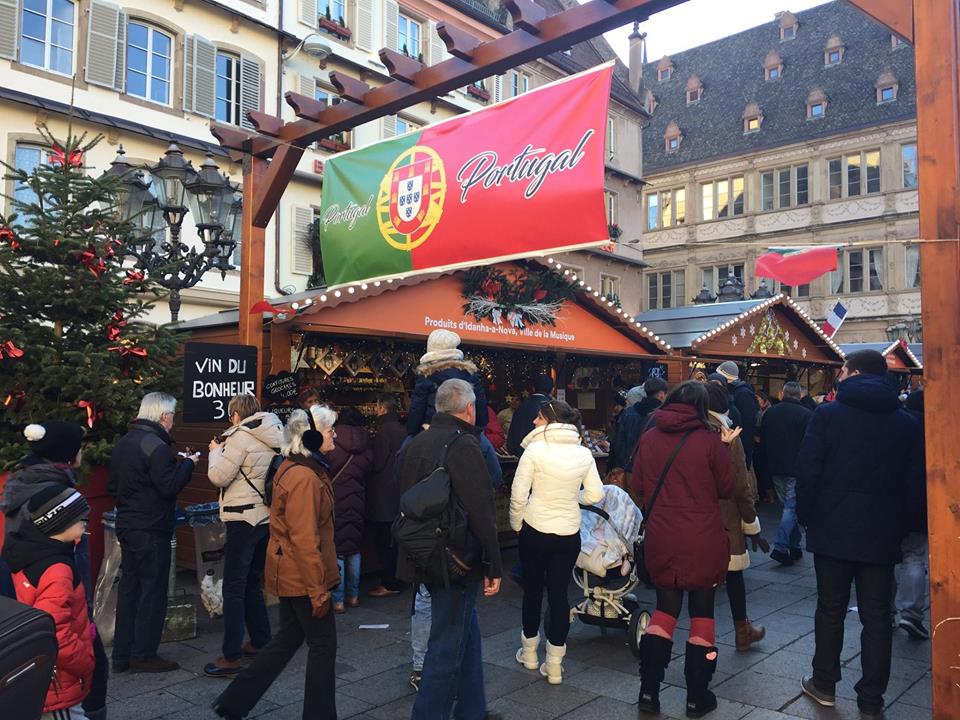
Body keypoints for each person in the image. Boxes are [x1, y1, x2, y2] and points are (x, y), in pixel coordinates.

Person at [796, 350, 923, 717]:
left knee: (830, 609)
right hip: (882, 532)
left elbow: (808, 470)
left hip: (833, 528)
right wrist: (906, 527)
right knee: (878, 616)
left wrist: (808, 516)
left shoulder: (827, 415)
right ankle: (871, 699)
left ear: (851, 373)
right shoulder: (906, 422)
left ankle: (823, 683)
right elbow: (915, 484)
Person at [213, 407, 341, 720]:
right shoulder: (304, 477)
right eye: (330, 430)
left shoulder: (301, 468)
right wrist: (318, 589)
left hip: (293, 572)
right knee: (323, 645)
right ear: (310, 436)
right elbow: (304, 538)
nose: (335, 434)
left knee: (286, 639)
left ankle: (234, 701)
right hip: (303, 576)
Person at [396, 378, 503, 720]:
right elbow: (482, 510)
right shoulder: (464, 444)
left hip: (423, 552)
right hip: (454, 556)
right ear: (469, 408)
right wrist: (493, 564)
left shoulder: (415, 442)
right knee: (446, 644)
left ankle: (472, 710)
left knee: (464, 631)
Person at [630, 381, 735, 718]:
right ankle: (696, 695)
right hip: (702, 535)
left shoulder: (649, 436)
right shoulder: (709, 440)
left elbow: (639, 487)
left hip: (663, 533)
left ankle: (649, 691)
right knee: (702, 612)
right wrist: (726, 449)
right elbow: (726, 487)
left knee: (664, 611)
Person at [2, 421, 108, 719]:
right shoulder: (54, 496)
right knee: (93, 672)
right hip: (58, 609)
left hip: (34, 601)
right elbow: (56, 626)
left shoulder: (21, 482)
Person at [510, 399, 603, 684]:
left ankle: (528, 653)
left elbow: (518, 494)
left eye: (538, 418)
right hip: (568, 533)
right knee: (560, 594)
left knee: (533, 591)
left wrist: (517, 524)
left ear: (550, 421)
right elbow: (596, 495)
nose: (534, 422)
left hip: (535, 529)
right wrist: (573, 499)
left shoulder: (535, 450)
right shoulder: (583, 453)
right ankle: (554, 665)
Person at [109, 392, 198, 674]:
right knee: (152, 591)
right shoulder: (157, 447)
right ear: (163, 416)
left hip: (128, 524)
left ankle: (122, 654)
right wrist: (188, 464)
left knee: (130, 589)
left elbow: (113, 486)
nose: (173, 421)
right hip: (151, 527)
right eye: (172, 415)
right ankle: (144, 653)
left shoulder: (125, 442)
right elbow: (169, 486)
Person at [203, 394, 284, 677]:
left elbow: (219, 477)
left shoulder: (239, 437)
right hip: (263, 516)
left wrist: (215, 451)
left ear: (236, 414)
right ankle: (261, 640)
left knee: (234, 587)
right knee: (251, 582)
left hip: (241, 517)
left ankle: (231, 656)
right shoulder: (274, 432)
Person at [2, 485, 94, 720]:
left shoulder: (28, 553)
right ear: (60, 523)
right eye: (81, 518)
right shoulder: (57, 570)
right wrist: (85, 660)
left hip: (39, 674)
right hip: (57, 682)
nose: (85, 525)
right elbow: (55, 634)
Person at [705, 383, 769, 652]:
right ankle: (742, 630)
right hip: (726, 516)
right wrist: (751, 523)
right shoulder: (727, 433)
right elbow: (741, 486)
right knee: (733, 577)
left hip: (694, 517)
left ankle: (702, 639)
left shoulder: (689, 431)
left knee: (702, 583)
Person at [761, 382, 813, 566]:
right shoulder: (806, 415)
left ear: (782, 394)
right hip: (796, 467)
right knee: (790, 509)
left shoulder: (771, 413)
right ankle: (782, 546)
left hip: (776, 466)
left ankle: (795, 544)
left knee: (788, 508)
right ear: (799, 395)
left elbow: (764, 440)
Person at [327, 406, 373, 613]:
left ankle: (337, 600)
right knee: (354, 548)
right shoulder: (367, 444)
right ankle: (353, 596)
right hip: (358, 498)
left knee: (337, 549)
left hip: (336, 499)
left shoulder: (333, 444)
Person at [407, 329, 487, 435]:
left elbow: (417, 409)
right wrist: (477, 430)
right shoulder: (470, 375)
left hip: (433, 432)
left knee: (405, 449)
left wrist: (412, 432)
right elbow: (481, 410)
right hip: (466, 432)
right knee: (487, 450)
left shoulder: (426, 376)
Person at [367, 395, 408, 598]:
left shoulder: (383, 432)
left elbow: (378, 462)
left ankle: (389, 582)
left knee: (384, 541)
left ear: (382, 409)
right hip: (399, 491)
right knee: (397, 540)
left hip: (383, 494)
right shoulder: (403, 430)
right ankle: (400, 578)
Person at [896, 390, 929, 640]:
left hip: (890, 500)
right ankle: (911, 612)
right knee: (914, 557)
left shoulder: (897, 422)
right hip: (920, 500)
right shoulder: (934, 428)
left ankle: (882, 611)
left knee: (884, 559)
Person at [612, 377, 668, 473]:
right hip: (655, 471)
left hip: (630, 469)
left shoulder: (628, 413)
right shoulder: (665, 416)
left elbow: (619, 443)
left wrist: (624, 464)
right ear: (661, 394)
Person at [716, 361, 759, 469]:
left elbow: (747, 424)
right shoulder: (736, 392)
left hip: (739, 442)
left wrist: (743, 448)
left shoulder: (743, 394)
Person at [506, 374, 554, 456]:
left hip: (520, 456)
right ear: (552, 390)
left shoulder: (521, 407)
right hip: (545, 458)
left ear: (533, 388)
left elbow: (511, 442)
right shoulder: (552, 409)